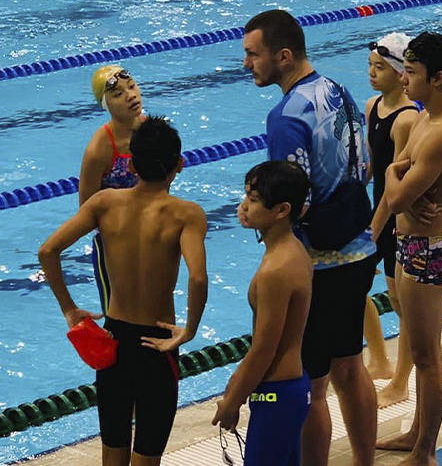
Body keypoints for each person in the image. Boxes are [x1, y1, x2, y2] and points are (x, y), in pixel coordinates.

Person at [243, 9, 378, 466]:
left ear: (283, 56)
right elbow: (364, 166)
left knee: (312, 388)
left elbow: (289, 202)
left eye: (253, 54)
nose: (247, 64)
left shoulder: (285, 117)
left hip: (317, 265)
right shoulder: (338, 89)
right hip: (359, 248)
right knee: (351, 367)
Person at [39, 116, 208, 466]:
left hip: (113, 342)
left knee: (113, 452)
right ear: (179, 164)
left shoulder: (104, 203)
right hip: (156, 345)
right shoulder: (186, 214)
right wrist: (189, 330)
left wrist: (70, 309)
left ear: (131, 165)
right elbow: (197, 278)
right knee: (147, 455)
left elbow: (48, 251)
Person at [374, 32, 442, 466]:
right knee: (420, 350)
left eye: (411, 73)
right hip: (411, 243)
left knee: (427, 355)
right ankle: (416, 434)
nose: (404, 79)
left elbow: (396, 194)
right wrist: (401, 177)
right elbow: (401, 178)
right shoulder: (425, 118)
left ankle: (425, 452)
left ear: (437, 78)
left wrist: (396, 176)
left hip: (426, 249)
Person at [211, 160, 312, 466]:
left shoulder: (275, 271)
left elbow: (264, 349)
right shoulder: (296, 250)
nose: (243, 206)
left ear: (281, 210)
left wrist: (233, 401)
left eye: (253, 200)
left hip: (276, 396)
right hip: (290, 389)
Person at [363, 33, 419, 407]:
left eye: (380, 67)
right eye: (370, 65)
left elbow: (393, 184)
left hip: (398, 220)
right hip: (377, 214)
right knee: (354, 288)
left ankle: (401, 382)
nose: (372, 72)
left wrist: (374, 228)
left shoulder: (407, 119)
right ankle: (380, 361)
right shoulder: (372, 106)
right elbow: (370, 167)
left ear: (401, 74)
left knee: (403, 305)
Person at [80, 65, 144, 314]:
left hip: (149, 235)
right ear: (105, 104)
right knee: (118, 318)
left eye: (132, 86)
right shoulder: (99, 149)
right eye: (118, 94)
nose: (131, 95)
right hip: (113, 246)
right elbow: (86, 209)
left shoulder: (150, 131)